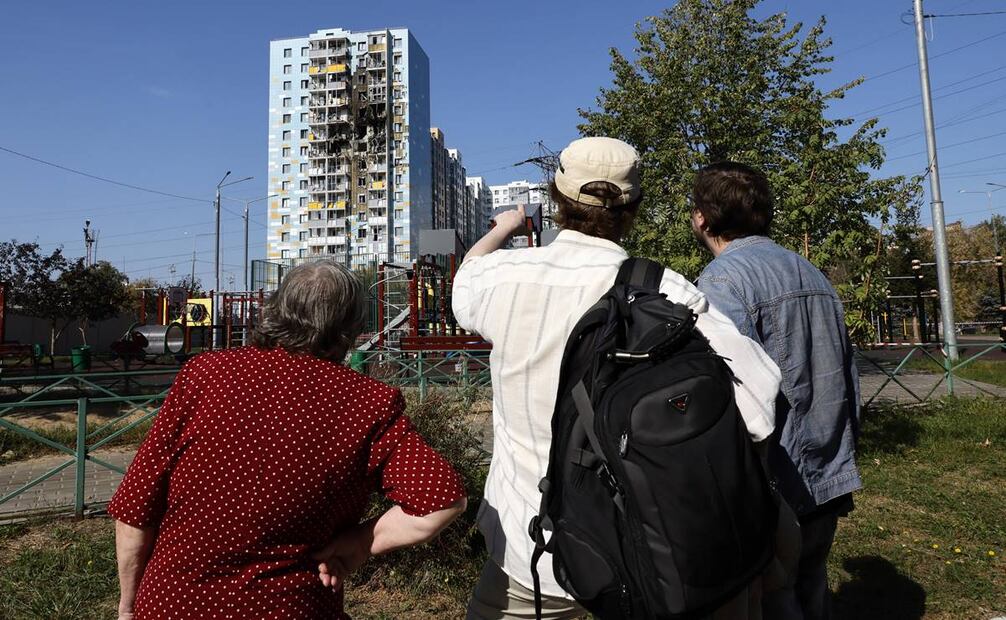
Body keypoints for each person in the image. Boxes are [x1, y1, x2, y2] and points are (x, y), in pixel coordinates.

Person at [452, 137, 782, 620]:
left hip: (528, 561)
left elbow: (466, 277)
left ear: (556, 197)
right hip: (646, 561)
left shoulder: (503, 277)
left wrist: (504, 228)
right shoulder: (664, 289)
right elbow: (758, 407)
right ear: (634, 207)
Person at [109, 261, 466, 620]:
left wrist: (127, 607)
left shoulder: (204, 375)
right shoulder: (367, 402)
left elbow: (136, 509)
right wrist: (357, 546)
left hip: (173, 604)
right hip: (292, 606)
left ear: (276, 309)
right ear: (350, 326)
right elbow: (441, 502)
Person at [691, 162, 863, 620]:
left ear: (702, 218)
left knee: (775, 598)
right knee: (813, 587)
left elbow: (726, 395)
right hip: (828, 469)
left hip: (774, 483)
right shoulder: (812, 273)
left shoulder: (723, 281)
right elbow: (849, 376)